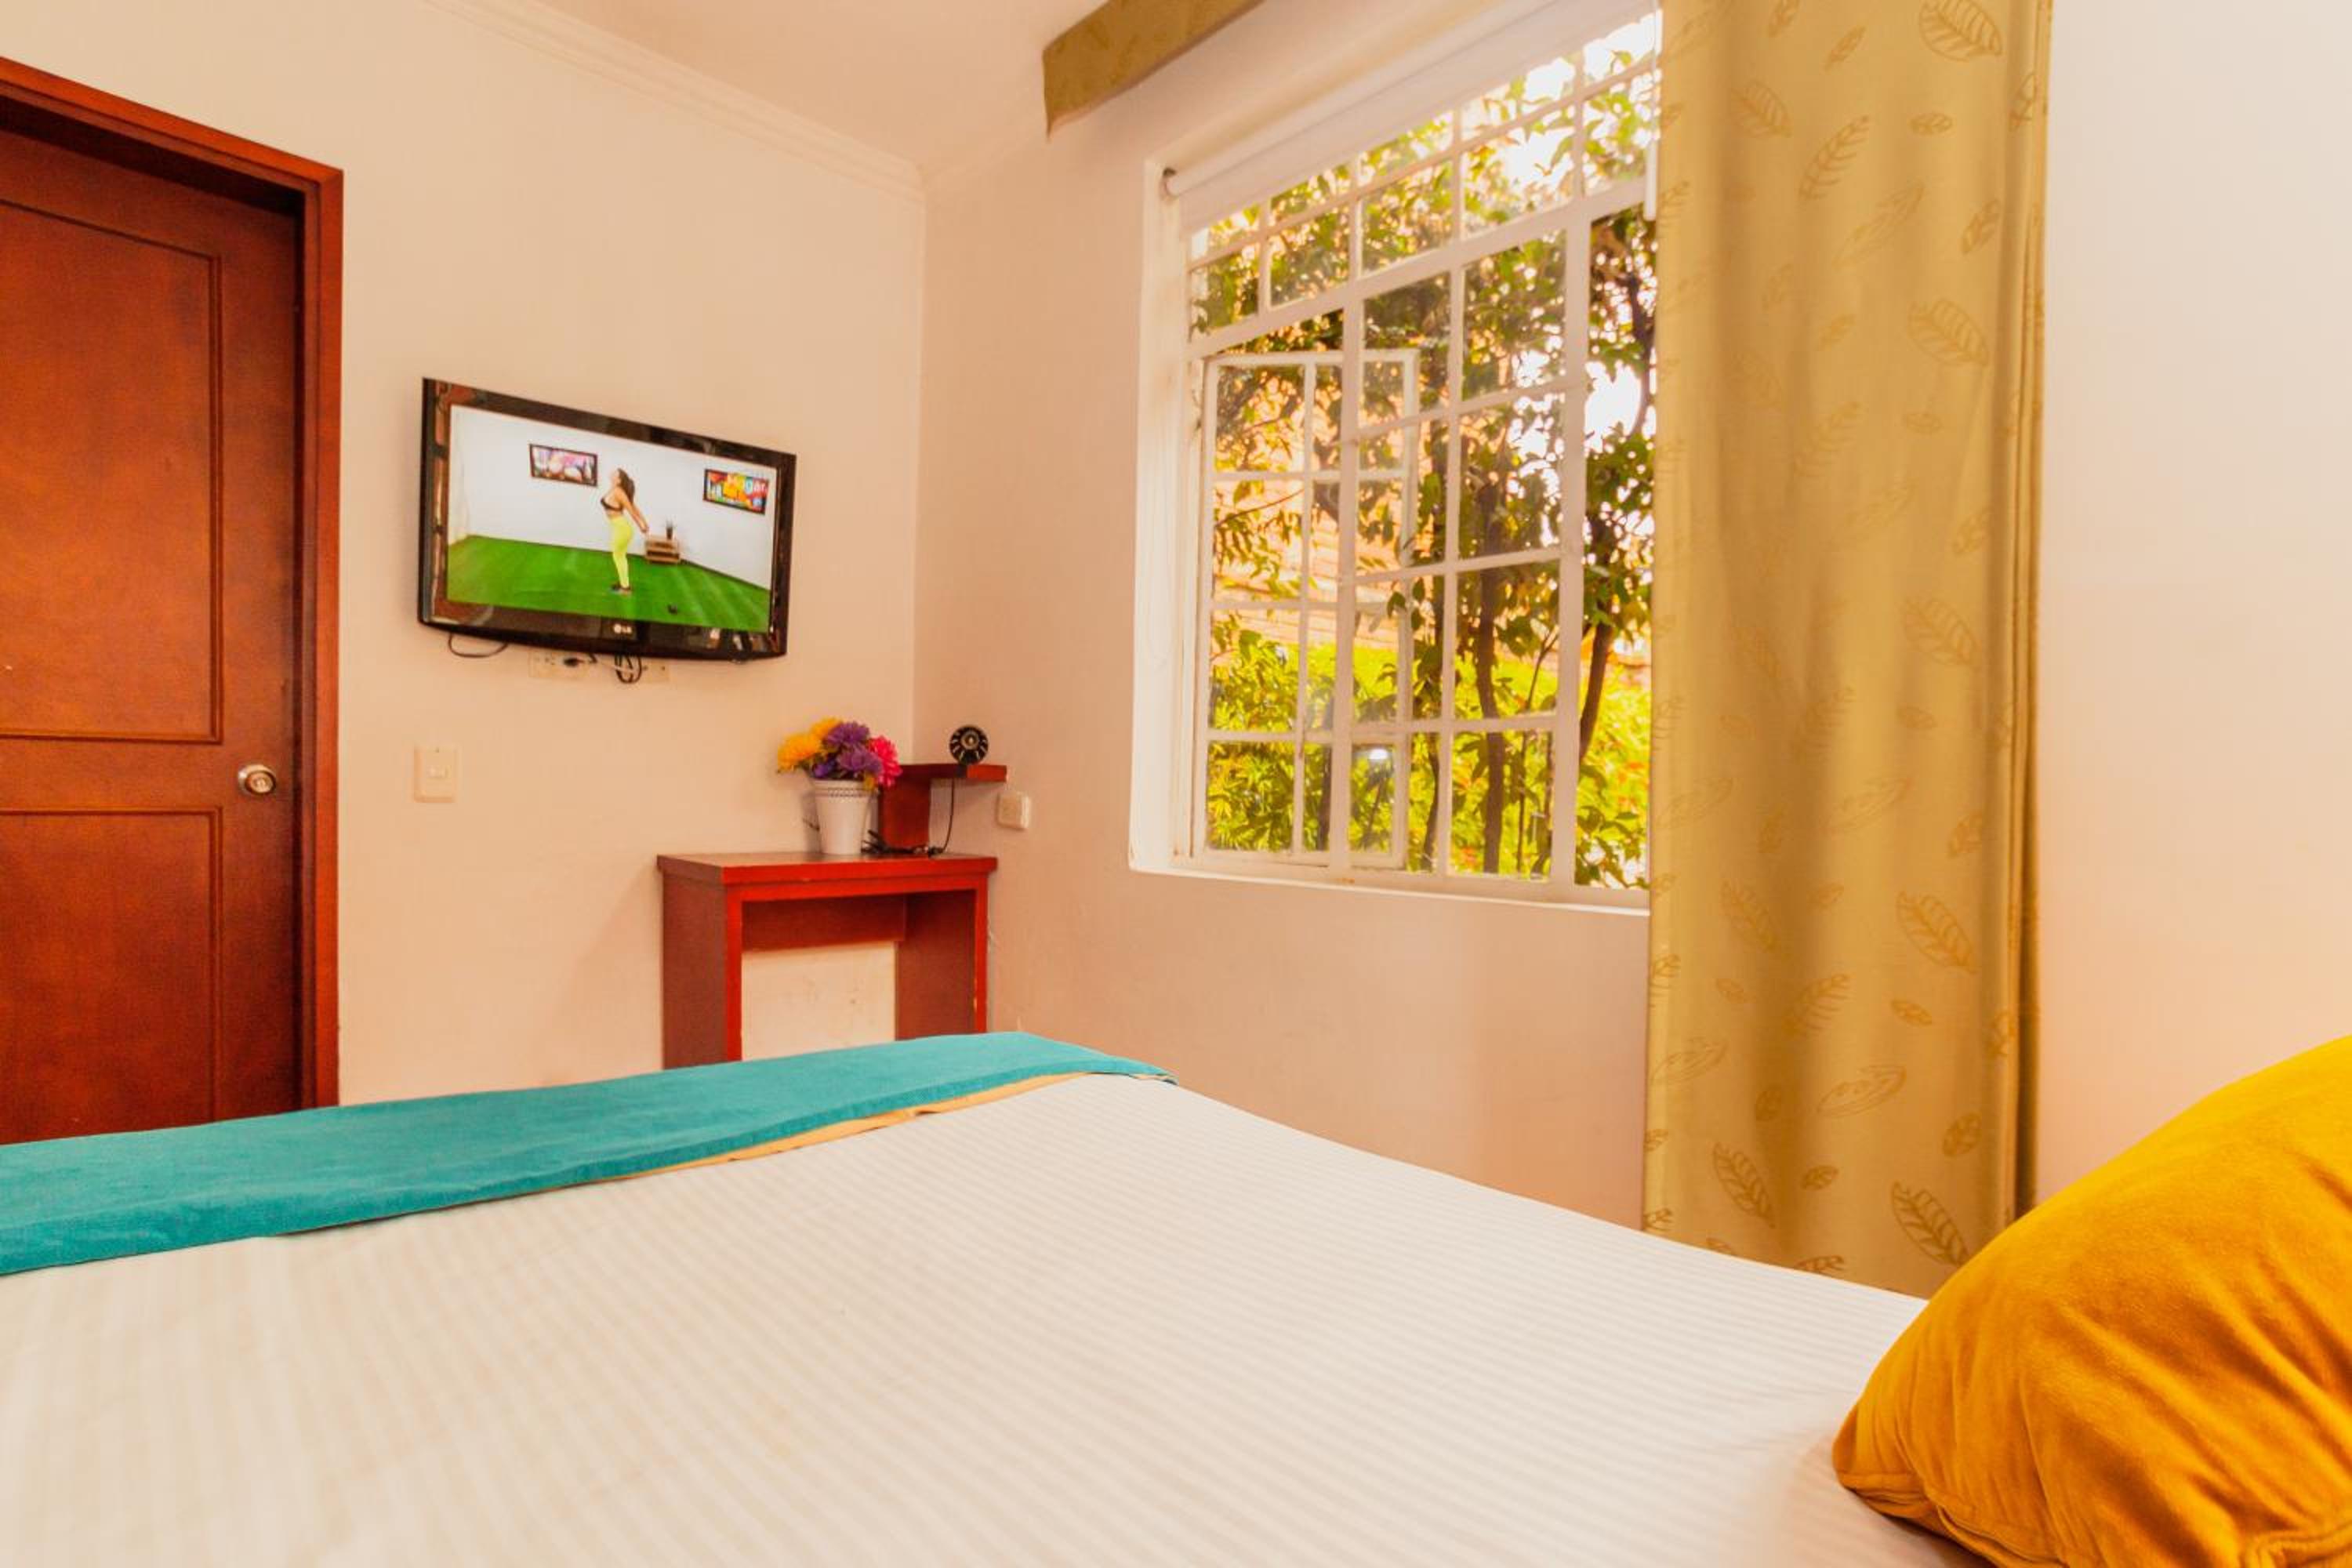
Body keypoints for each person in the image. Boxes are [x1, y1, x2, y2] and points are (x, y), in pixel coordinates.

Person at [601, 470, 649, 593]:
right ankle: (624, 584)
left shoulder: (619, 492)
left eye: (615, 473)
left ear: (619, 480)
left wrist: (642, 526)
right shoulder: (615, 489)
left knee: (618, 556)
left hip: (622, 529)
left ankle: (625, 589)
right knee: (620, 556)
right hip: (619, 527)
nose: (612, 472)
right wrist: (644, 522)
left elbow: (632, 511)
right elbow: (634, 506)